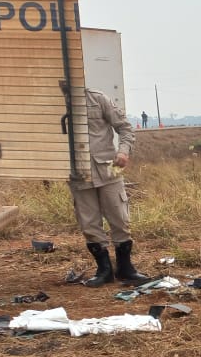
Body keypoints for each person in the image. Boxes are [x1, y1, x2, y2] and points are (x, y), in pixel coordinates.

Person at [61, 81, 150, 287]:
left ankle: (126, 269)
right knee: (89, 223)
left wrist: (123, 151)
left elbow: (125, 128)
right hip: (77, 172)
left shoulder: (98, 98)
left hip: (108, 170)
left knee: (120, 218)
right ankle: (104, 270)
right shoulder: (51, 103)